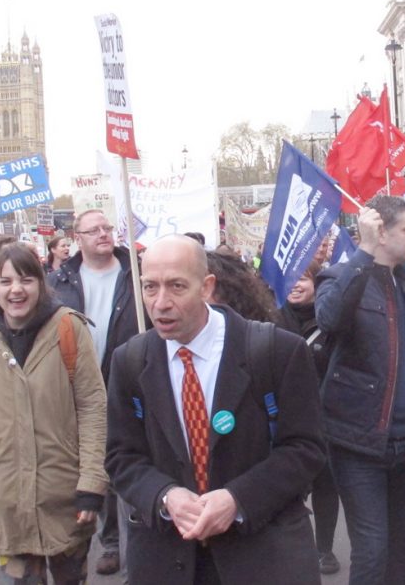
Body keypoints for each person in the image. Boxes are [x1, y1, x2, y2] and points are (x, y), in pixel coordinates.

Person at [106, 235, 325, 585]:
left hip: (263, 557)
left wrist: (237, 500)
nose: (160, 302)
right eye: (150, 287)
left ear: (207, 287)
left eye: (176, 286)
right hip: (168, 560)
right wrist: (165, 496)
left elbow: (306, 449)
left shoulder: (276, 351)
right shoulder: (130, 361)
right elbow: (122, 457)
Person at [0, 243, 108, 585]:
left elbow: (93, 409)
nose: (16, 290)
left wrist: (92, 484)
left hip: (64, 499)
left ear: (41, 283)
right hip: (5, 501)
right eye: (5, 282)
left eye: (26, 280)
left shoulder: (68, 330)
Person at [314, 195, 405, 585]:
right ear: (382, 231)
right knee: (373, 549)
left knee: (404, 546)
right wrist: (364, 251)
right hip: (359, 445)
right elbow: (328, 318)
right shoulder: (341, 276)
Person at [47, 209, 141, 576]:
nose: (103, 233)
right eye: (94, 229)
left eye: (107, 227)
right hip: (80, 384)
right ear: (78, 237)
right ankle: (110, 541)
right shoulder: (59, 281)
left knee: (127, 458)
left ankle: (139, 543)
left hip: (128, 378)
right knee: (95, 461)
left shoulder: (136, 272)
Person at [276, 262, 341, 576]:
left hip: (326, 418)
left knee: (327, 485)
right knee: (289, 489)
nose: (295, 285)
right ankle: (290, 548)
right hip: (285, 421)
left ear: (316, 283)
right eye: (290, 279)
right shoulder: (271, 319)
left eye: (302, 278)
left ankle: (324, 549)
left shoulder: (330, 323)